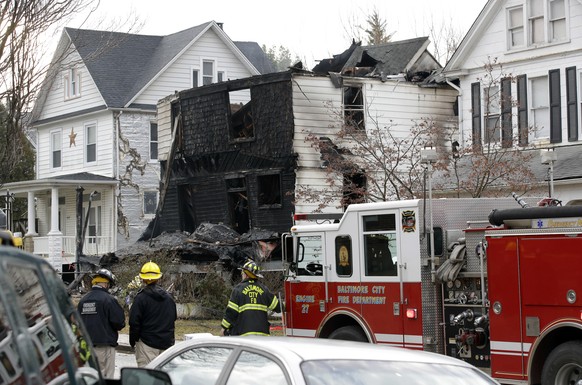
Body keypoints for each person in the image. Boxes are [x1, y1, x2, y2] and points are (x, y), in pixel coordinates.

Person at [77, 268, 125, 378]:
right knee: (107, 378)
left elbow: (77, 324)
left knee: (92, 378)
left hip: (87, 348)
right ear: (105, 284)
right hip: (105, 346)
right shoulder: (109, 300)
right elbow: (119, 322)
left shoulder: (83, 301)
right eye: (109, 285)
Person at [129, 261, 177, 367]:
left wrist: (133, 341)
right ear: (159, 278)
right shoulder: (169, 298)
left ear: (142, 278)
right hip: (166, 345)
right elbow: (173, 318)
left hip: (147, 344)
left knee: (146, 378)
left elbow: (134, 322)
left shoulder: (140, 298)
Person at [221, 259, 281, 336]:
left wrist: (224, 327)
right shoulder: (264, 289)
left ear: (246, 274)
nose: (242, 275)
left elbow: (231, 312)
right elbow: (278, 307)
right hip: (263, 336)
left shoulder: (238, 289)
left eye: (242, 273)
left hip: (244, 336)